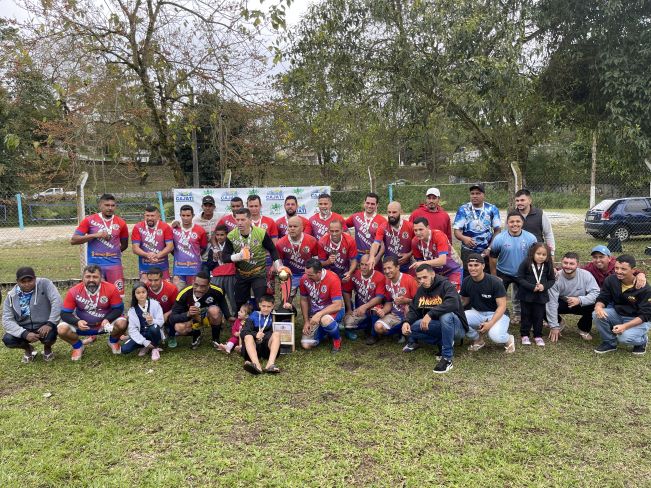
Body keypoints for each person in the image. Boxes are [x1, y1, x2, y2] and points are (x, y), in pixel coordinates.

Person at [401, 264, 468, 374]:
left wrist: (430, 314)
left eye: (425, 277)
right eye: (419, 278)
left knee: (445, 315)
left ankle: (447, 358)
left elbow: (453, 303)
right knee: (412, 328)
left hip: (457, 328)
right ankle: (443, 341)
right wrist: (406, 322)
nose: (422, 281)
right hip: (439, 326)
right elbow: (414, 310)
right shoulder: (421, 290)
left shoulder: (446, 285)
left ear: (433, 274)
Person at [57, 265, 127, 361]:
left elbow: (118, 309)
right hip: (83, 326)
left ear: (101, 277)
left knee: (122, 323)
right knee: (61, 330)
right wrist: (77, 322)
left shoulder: (111, 288)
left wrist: (107, 319)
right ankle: (78, 346)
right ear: (82, 278)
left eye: (95, 277)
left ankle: (113, 341)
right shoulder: (73, 291)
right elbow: (64, 314)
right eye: (88, 276)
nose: (91, 280)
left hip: (104, 325)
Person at [221, 208, 283, 311]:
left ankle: (261, 320)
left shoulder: (261, 233)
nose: (240, 223)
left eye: (243, 219)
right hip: (242, 274)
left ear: (250, 220)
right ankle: (241, 321)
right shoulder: (231, 236)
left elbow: (272, 250)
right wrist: (238, 256)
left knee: (260, 301)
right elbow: (224, 257)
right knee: (240, 303)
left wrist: (279, 266)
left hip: (258, 273)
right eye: (237, 220)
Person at [71, 193, 129, 296]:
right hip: (95, 264)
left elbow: (124, 244)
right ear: (100, 205)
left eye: (112, 205)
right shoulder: (89, 220)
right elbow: (74, 240)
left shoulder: (121, 223)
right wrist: (95, 235)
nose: (110, 208)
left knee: (117, 295)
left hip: (114, 265)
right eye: (107, 205)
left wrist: (113, 253)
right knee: (95, 295)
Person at [593, 254, 651, 355]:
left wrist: (625, 326)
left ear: (633, 270)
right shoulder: (611, 280)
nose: (618, 271)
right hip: (619, 314)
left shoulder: (644, 288)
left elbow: (646, 315)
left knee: (624, 338)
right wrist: (598, 307)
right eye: (616, 268)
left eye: (623, 269)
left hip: (638, 319)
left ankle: (642, 340)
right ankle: (610, 343)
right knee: (596, 314)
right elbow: (603, 298)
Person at [2, 267, 61, 363]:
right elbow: (7, 319)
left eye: (30, 280)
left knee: (51, 335)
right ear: (17, 281)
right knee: (8, 339)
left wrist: (50, 323)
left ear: (35, 278)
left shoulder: (45, 284)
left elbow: (57, 302)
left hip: (44, 325)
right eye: (23, 282)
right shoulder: (11, 296)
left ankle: (47, 348)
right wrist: (24, 333)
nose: (27, 284)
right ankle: (28, 349)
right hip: (24, 328)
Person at [489, 211, 537, 324]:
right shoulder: (499, 238)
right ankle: (500, 318)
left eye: (518, 221)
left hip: (522, 273)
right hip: (503, 272)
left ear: (522, 223)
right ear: (507, 223)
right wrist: (494, 275)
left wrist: (532, 274)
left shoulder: (531, 238)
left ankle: (523, 317)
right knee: (498, 297)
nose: (515, 224)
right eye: (511, 222)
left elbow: (535, 258)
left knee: (525, 298)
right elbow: (492, 257)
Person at [460, 255, 514, 353]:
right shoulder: (466, 281)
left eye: (476, 265)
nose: (473, 268)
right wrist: (450, 306)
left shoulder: (495, 282)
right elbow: (464, 301)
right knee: (458, 319)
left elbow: (502, 306)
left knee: (495, 336)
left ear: (483, 266)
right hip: (477, 312)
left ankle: (508, 339)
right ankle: (477, 339)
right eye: (470, 265)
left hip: (497, 313)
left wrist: (490, 323)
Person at [167, 271, 231, 349]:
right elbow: (172, 318)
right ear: (193, 282)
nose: (199, 289)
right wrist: (187, 314)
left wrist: (228, 316)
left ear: (208, 285)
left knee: (214, 310)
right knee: (179, 327)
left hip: (208, 317)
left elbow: (222, 302)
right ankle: (197, 333)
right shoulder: (184, 293)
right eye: (196, 285)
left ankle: (215, 339)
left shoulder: (217, 290)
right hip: (191, 319)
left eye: (203, 286)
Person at [546, 252, 600, 343]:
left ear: (578, 265)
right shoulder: (555, 278)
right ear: (561, 262)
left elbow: (596, 293)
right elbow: (552, 302)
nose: (568, 266)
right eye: (565, 263)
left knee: (594, 304)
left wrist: (580, 300)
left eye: (571, 264)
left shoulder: (586, 275)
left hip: (579, 303)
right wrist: (554, 325)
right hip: (562, 302)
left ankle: (583, 329)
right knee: (543, 303)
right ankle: (559, 322)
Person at [369, 256, 418, 344]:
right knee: (378, 327)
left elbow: (419, 301)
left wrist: (407, 301)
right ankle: (399, 332)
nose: (387, 271)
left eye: (389, 268)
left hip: (409, 314)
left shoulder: (409, 279)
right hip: (395, 315)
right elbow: (389, 301)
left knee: (407, 307)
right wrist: (383, 311)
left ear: (397, 267)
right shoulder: (387, 281)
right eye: (385, 269)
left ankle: (410, 336)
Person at [453, 184, 501, 273]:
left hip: (486, 250)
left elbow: (497, 231)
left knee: (486, 275)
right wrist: (464, 238)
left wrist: (489, 248)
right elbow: (456, 231)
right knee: (469, 275)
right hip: (468, 251)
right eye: (472, 193)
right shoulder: (463, 209)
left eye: (478, 193)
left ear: (483, 195)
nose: (474, 196)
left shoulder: (492, 209)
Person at [299, 258, 344, 353]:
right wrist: (306, 321)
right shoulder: (304, 278)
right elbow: (304, 300)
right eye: (306, 273)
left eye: (310, 275)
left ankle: (337, 339)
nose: (307, 277)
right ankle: (326, 331)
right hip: (315, 313)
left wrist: (319, 314)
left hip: (333, 311)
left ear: (319, 272)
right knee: (306, 345)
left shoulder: (333, 278)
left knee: (325, 320)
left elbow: (338, 305)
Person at [516, 243, 556, 346]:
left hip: (540, 296)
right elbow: (519, 278)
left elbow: (552, 280)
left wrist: (544, 286)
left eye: (544, 254)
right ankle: (524, 335)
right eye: (538, 254)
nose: (541, 257)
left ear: (547, 256)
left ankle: (538, 336)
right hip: (526, 295)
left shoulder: (548, 265)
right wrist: (531, 287)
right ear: (533, 253)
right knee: (526, 315)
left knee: (539, 316)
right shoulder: (526, 262)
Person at [275, 216, 319, 307]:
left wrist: (313, 273)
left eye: (295, 226)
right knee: (286, 299)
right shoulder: (280, 243)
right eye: (290, 226)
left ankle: (311, 314)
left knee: (312, 299)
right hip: (291, 274)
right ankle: (286, 313)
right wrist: (281, 271)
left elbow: (316, 259)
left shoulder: (312, 240)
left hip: (307, 274)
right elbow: (278, 261)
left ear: (302, 228)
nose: (292, 229)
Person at [410, 217, 462, 291]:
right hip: (435, 273)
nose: (418, 233)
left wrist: (422, 263)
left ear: (428, 227)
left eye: (421, 229)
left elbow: (442, 261)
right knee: (435, 296)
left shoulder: (438, 235)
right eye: (415, 230)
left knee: (452, 294)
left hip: (453, 269)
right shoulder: (415, 242)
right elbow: (421, 265)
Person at [343, 254, 385, 342]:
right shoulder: (355, 274)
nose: (363, 267)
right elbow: (346, 291)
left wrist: (365, 307)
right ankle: (366, 327)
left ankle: (374, 335)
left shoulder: (380, 277)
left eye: (367, 265)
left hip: (374, 308)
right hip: (360, 310)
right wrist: (349, 309)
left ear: (372, 265)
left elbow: (379, 298)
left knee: (375, 310)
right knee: (347, 323)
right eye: (362, 264)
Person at [121, 283, 165, 361]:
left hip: (153, 333)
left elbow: (161, 321)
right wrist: (144, 342)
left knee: (154, 328)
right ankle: (146, 346)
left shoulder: (155, 304)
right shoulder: (132, 310)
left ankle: (154, 348)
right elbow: (132, 330)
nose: (141, 295)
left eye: (143, 292)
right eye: (138, 293)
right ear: (134, 295)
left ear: (147, 292)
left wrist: (152, 321)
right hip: (141, 334)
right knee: (124, 349)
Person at [240, 295, 282, 374]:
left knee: (277, 334)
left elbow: (292, 314)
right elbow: (243, 332)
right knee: (248, 336)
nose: (266, 309)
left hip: (267, 349)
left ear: (273, 306)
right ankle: (256, 365)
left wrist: (290, 307)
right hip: (253, 349)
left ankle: (270, 365)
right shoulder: (253, 316)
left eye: (269, 306)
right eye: (263, 306)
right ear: (259, 305)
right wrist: (255, 334)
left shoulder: (275, 316)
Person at [131, 206, 174, 280]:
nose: (150, 218)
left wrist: (157, 255)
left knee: (165, 286)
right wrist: (147, 255)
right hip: (145, 268)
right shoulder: (138, 227)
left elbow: (170, 246)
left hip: (162, 267)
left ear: (158, 216)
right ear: (144, 216)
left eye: (152, 216)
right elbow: (135, 248)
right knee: (145, 286)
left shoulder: (165, 227)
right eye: (147, 215)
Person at [247, 194, 279, 294]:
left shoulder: (270, 221)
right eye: (251, 206)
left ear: (261, 206)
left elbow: (275, 245)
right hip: (249, 262)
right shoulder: (243, 222)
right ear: (247, 206)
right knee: (251, 293)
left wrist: (274, 264)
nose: (254, 209)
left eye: (256, 206)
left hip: (267, 261)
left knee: (268, 291)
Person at [370, 201, 414, 273]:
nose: (391, 215)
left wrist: (409, 255)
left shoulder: (410, 226)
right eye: (389, 212)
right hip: (389, 267)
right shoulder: (383, 226)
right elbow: (376, 243)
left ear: (401, 212)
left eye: (394, 212)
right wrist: (372, 257)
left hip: (405, 265)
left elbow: (418, 245)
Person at [345, 193, 388, 266]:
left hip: (373, 256)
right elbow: (342, 225)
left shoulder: (382, 221)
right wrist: (348, 237)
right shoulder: (355, 217)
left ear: (377, 205)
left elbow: (384, 244)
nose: (369, 206)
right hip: (357, 255)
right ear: (364, 203)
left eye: (372, 204)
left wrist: (377, 258)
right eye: (367, 203)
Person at [318, 219, 358, 296]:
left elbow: (353, 260)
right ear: (328, 230)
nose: (334, 234)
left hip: (345, 270)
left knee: (346, 293)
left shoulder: (350, 240)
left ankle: (348, 304)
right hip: (329, 272)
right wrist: (327, 262)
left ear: (342, 230)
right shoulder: (322, 242)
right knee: (331, 294)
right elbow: (320, 263)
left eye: (337, 231)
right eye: (332, 231)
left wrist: (349, 273)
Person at [172, 204, 208, 288]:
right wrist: (179, 255)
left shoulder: (200, 230)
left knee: (193, 293)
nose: (185, 218)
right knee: (179, 294)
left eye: (188, 215)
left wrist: (194, 255)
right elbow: (170, 247)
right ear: (180, 215)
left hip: (194, 269)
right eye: (183, 215)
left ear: (193, 216)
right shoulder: (174, 229)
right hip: (178, 270)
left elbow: (203, 247)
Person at [205, 224, 237, 316]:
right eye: (217, 235)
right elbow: (209, 265)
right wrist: (214, 259)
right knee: (216, 297)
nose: (219, 237)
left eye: (222, 235)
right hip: (217, 277)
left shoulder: (232, 246)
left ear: (227, 235)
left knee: (233, 298)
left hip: (231, 275)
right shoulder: (212, 249)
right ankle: (218, 317)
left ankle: (236, 316)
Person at [582, 245, 647, 288]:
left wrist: (641, 274)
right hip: (601, 295)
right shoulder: (590, 268)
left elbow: (633, 271)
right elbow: (579, 272)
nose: (598, 260)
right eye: (595, 257)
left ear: (609, 258)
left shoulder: (617, 265)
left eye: (601, 257)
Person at [514, 189, 555, 254]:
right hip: (517, 252)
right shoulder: (512, 215)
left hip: (537, 253)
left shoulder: (541, 214)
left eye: (522, 200)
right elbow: (506, 234)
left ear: (530, 201)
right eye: (517, 200)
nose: (519, 203)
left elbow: (548, 234)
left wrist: (552, 252)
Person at [193, 195, 220, 263]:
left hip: (217, 254)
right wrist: (174, 222)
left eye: (210, 206)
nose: (208, 208)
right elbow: (185, 223)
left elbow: (233, 215)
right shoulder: (195, 220)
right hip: (202, 255)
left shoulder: (219, 217)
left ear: (214, 207)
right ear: (202, 206)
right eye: (205, 205)